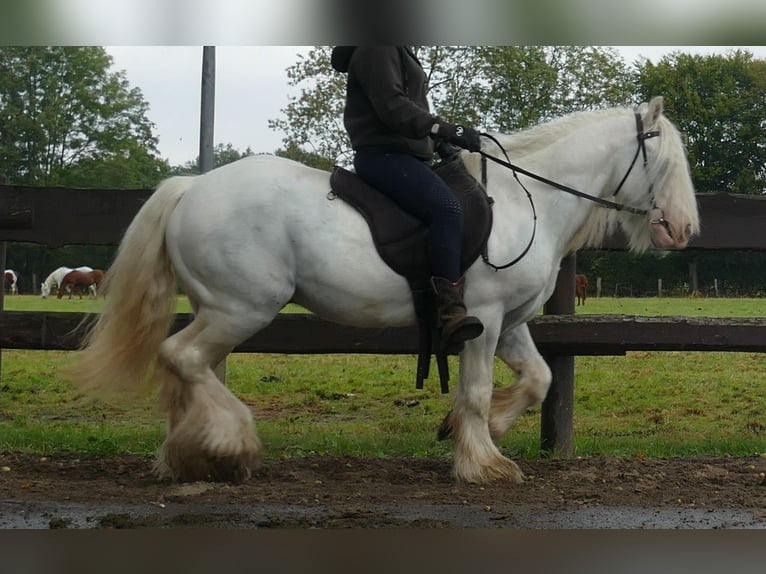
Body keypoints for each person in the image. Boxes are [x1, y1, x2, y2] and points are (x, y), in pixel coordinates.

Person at [331, 45, 485, 349]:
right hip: (384, 156)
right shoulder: (378, 45)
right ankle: (449, 307)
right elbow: (391, 106)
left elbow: (409, 107)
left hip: (407, 156)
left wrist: (438, 141)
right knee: (447, 209)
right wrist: (445, 128)